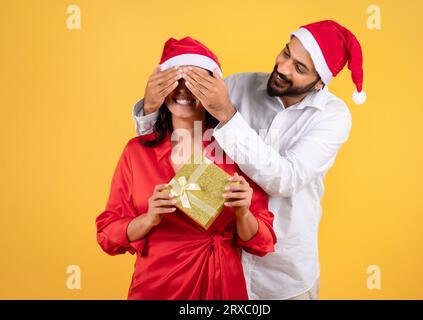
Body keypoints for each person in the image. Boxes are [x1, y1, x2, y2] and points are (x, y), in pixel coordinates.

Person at [132, 20, 365, 300]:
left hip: (284, 274)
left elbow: (285, 179)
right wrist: (150, 107)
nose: (283, 67)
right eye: (286, 53)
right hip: (218, 264)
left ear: (319, 83)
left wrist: (229, 115)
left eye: (300, 68)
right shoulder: (237, 86)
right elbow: (173, 137)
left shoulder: (333, 117)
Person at [96, 37, 277, 300]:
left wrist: (243, 213)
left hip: (222, 284)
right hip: (158, 286)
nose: (183, 90)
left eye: (194, 81)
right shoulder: (137, 152)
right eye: (175, 81)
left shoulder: (236, 149)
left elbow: (264, 242)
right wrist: (148, 219)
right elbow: (107, 235)